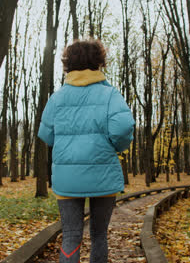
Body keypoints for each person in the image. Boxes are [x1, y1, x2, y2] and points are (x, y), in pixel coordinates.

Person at [38, 39, 135, 263]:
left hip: (67, 179)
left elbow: (46, 134)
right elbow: (123, 128)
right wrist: (115, 147)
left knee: (71, 236)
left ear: (68, 64)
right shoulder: (110, 95)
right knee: (99, 235)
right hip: (103, 175)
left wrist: (63, 144)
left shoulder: (57, 98)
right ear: (99, 62)